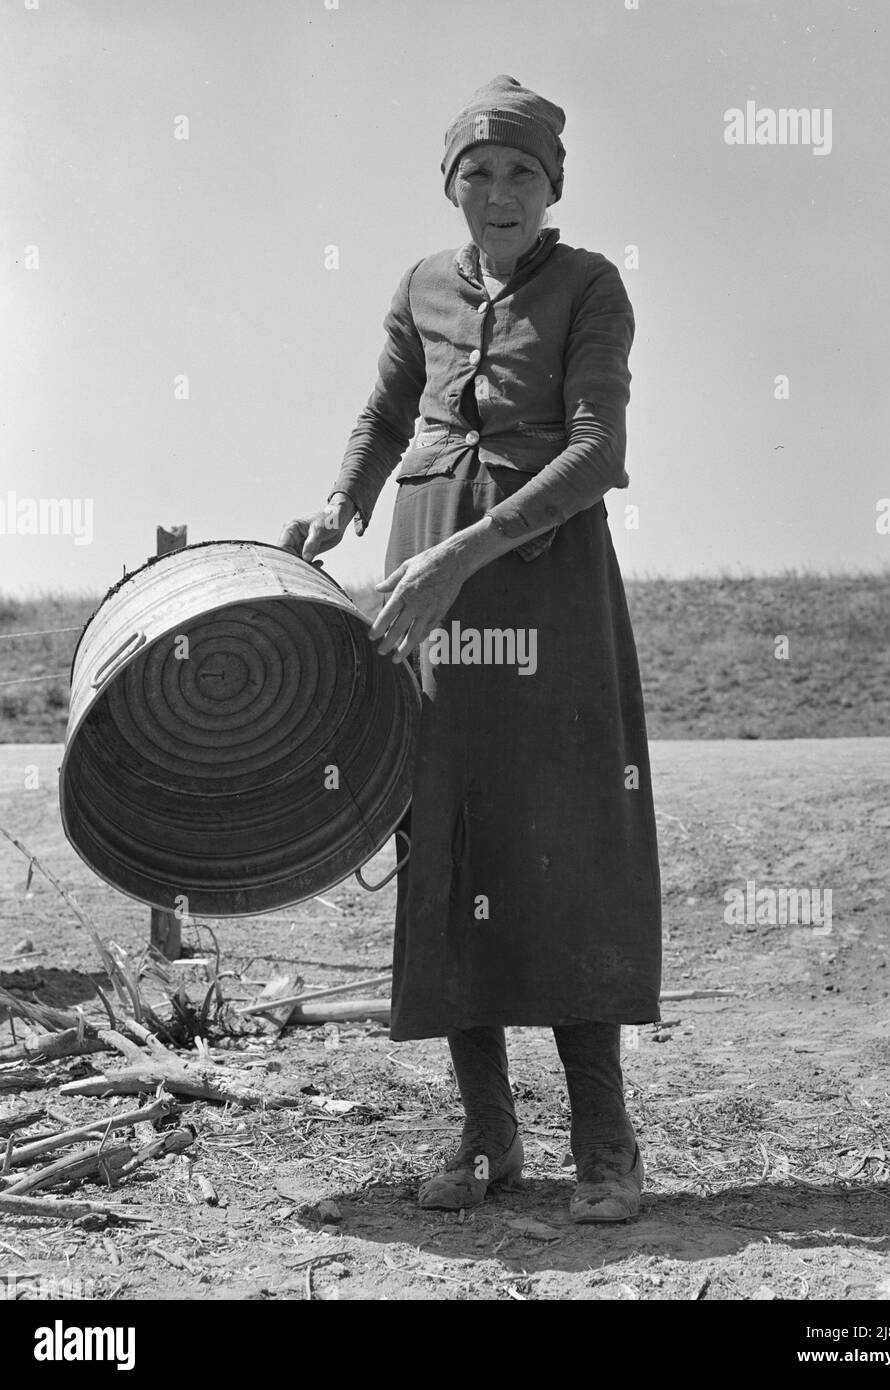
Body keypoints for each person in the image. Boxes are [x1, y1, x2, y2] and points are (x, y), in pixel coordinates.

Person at [280, 75, 662, 1222]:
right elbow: (386, 411)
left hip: (543, 583)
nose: (498, 193)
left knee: (562, 837)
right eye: (477, 173)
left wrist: (461, 560)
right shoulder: (418, 286)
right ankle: (485, 1132)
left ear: (554, 186)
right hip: (420, 568)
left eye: (521, 174)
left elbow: (597, 454)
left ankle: (605, 1143)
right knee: (447, 831)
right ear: (450, 184)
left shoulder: (590, 287)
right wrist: (342, 504)